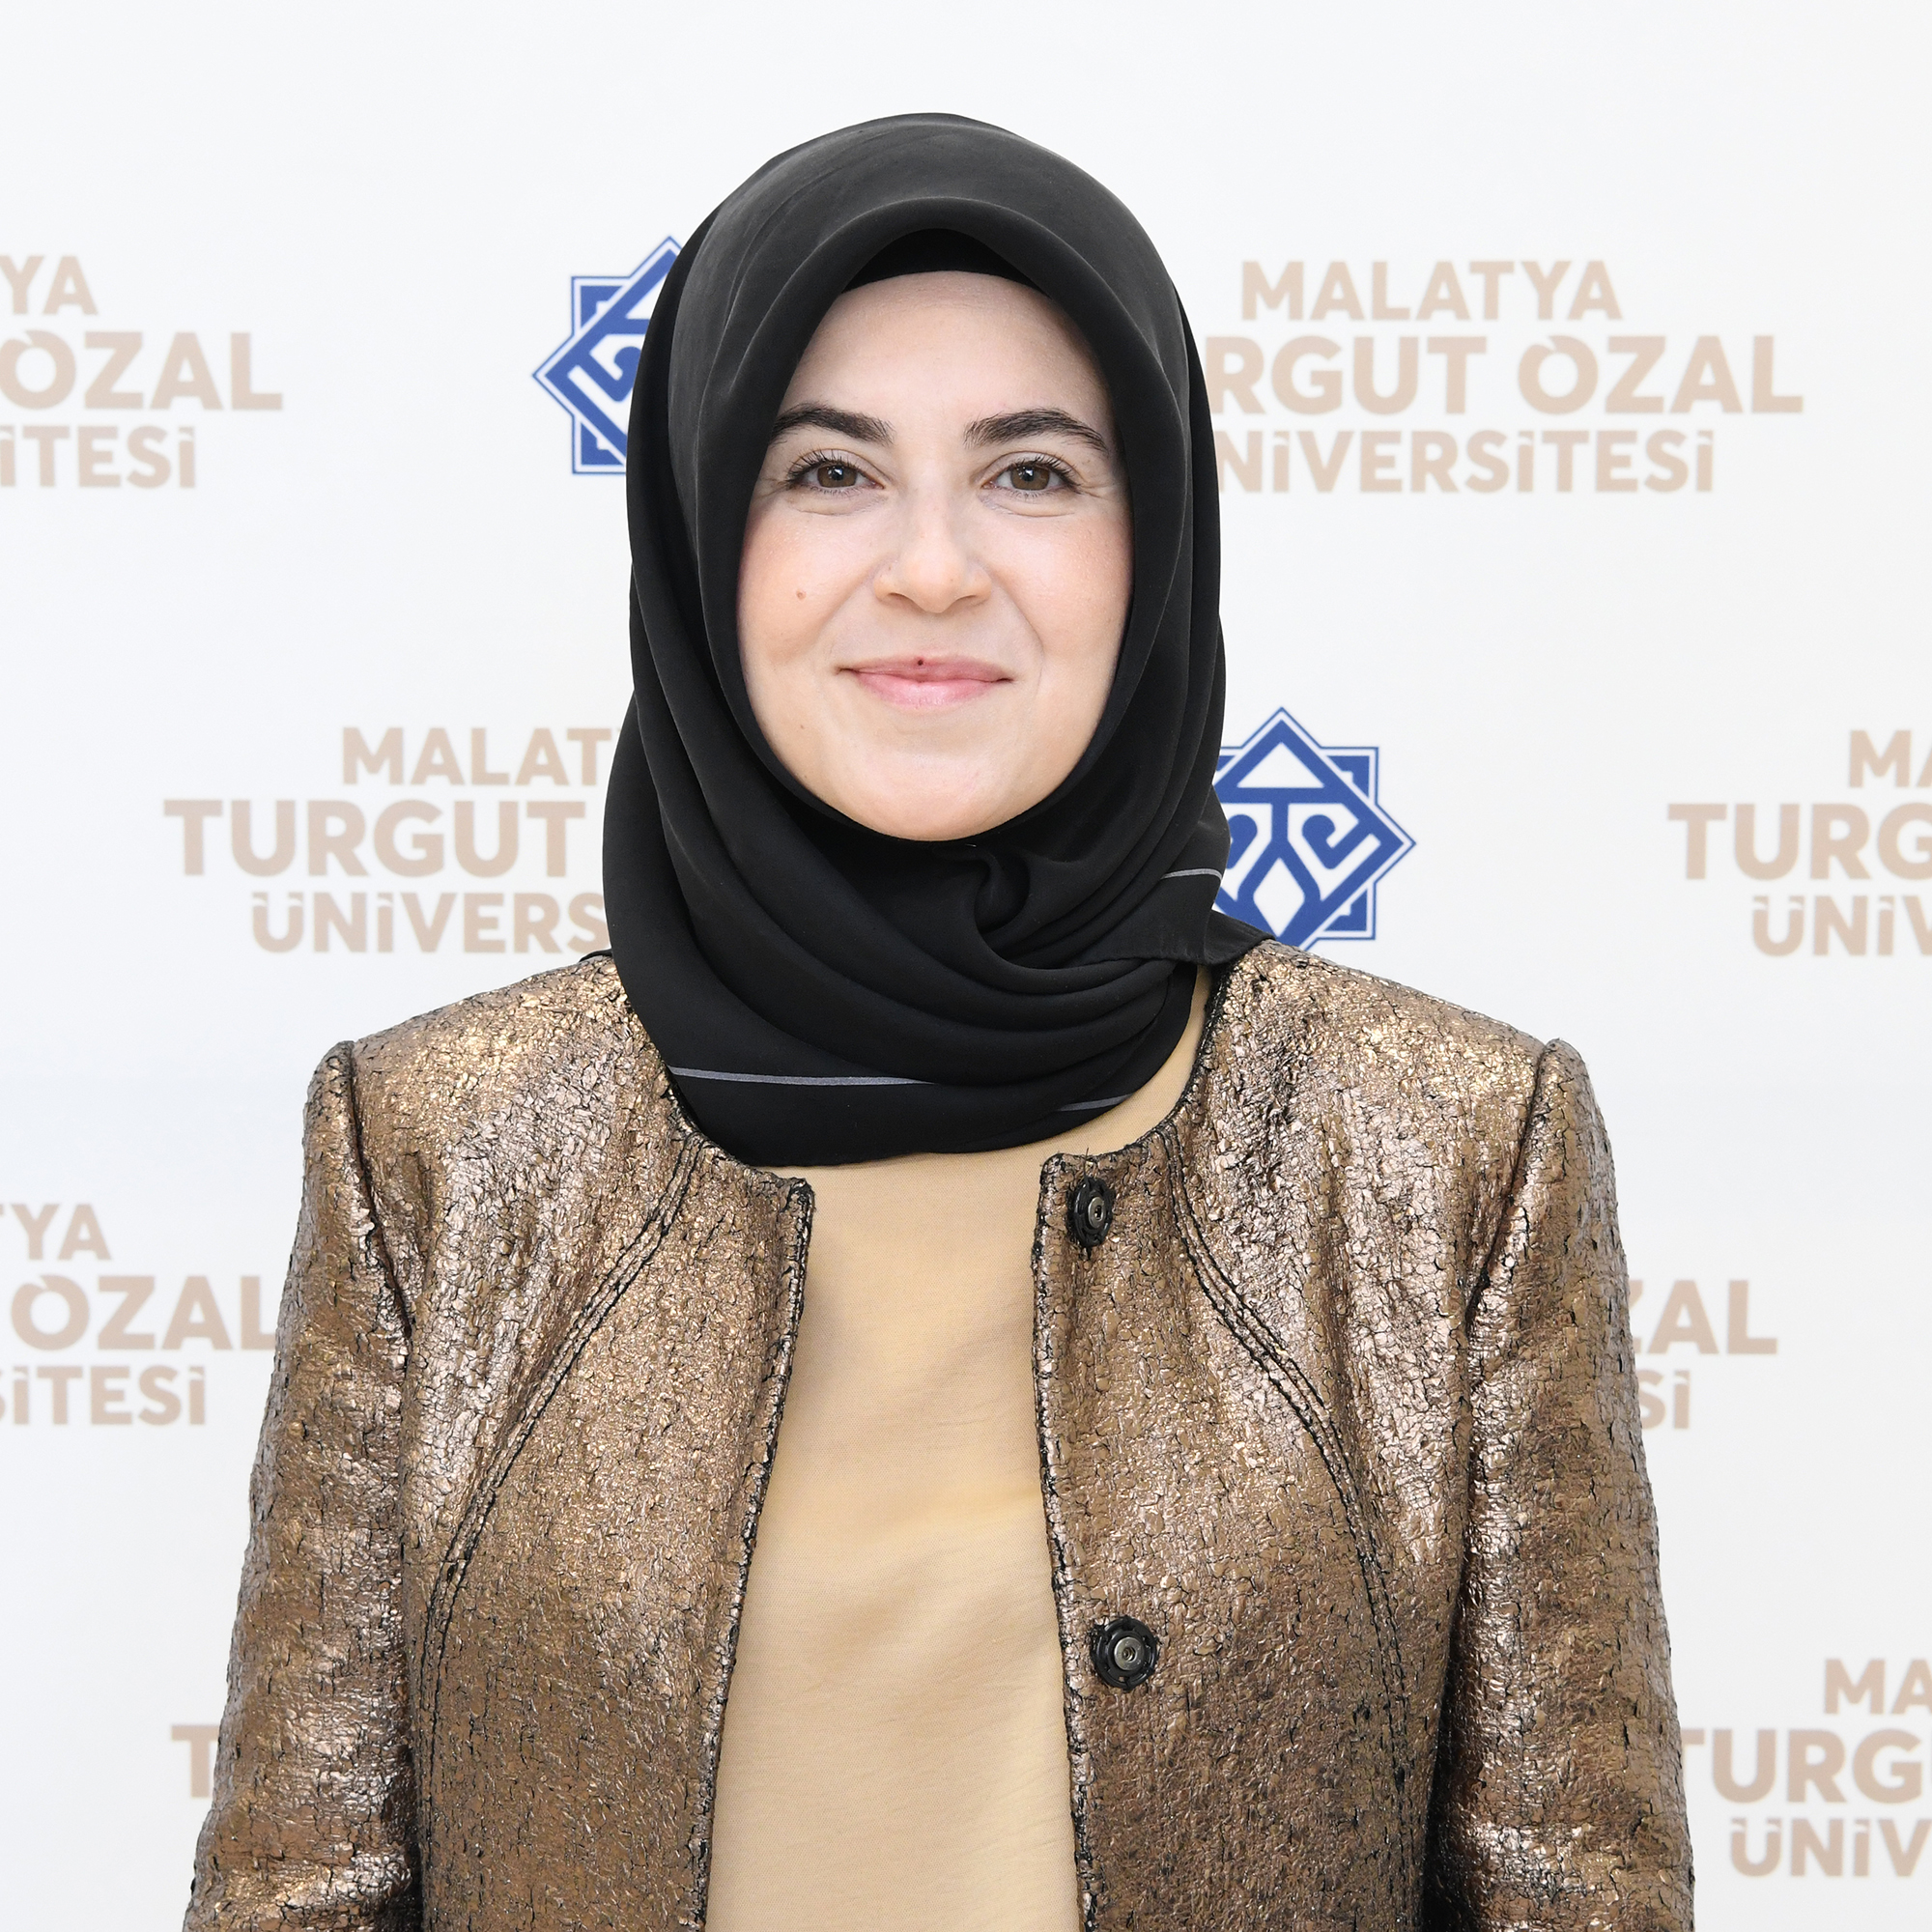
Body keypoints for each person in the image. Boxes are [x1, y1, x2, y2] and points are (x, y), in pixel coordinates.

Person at [184, 115, 1691, 1932]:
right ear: (701, 531)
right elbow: (296, 1893)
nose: (931, 569)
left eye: (1034, 473)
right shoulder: (433, 1149)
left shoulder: (1453, 1154)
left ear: (1157, 543)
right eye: (828, 472)